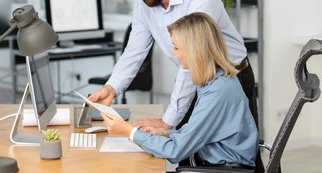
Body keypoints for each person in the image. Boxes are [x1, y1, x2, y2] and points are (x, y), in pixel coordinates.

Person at [101, 12, 258, 168]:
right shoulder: (215, 81)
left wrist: (129, 132)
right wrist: (166, 133)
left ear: (195, 51)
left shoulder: (219, 91)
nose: (173, 53)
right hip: (213, 163)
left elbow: (176, 151)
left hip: (222, 170)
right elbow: (195, 134)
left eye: (176, 47)